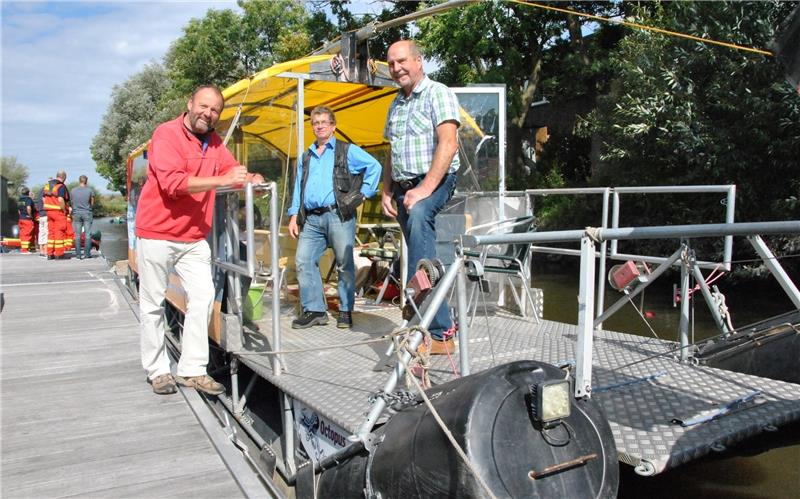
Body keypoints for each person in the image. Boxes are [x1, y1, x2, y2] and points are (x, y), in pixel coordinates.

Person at [135, 84, 264, 396]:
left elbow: (231, 169)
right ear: (190, 104)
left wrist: (251, 180)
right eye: (204, 106)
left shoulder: (214, 142)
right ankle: (158, 371)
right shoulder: (166, 134)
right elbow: (173, 184)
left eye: (215, 110)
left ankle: (192, 369)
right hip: (157, 233)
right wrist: (224, 179)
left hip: (193, 236)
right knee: (152, 303)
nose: (208, 113)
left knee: (204, 297)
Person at [381, 40, 460, 355]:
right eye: (391, 63)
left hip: (435, 180)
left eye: (402, 61)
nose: (396, 68)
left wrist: (425, 188)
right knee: (421, 250)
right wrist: (387, 189)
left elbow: (449, 144)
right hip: (404, 187)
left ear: (418, 61)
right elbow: (391, 151)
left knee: (418, 220)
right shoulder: (395, 104)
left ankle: (429, 329)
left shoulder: (438, 93)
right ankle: (442, 331)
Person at [287, 106, 382, 329]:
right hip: (311, 219)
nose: (319, 126)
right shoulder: (306, 156)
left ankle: (345, 310)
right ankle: (315, 310)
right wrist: (293, 214)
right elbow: (299, 187)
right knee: (303, 260)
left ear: (333, 126)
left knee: (344, 263)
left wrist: (363, 194)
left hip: (338, 214)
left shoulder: (346, 150)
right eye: (315, 123)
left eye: (324, 122)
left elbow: (374, 166)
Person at [42, 171, 70, 260]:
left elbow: (43, 198)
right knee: (59, 232)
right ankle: (59, 254)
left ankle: (50, 254)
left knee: (51, 232)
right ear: (64, 177)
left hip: (48, 212)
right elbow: (61, 199)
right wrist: (64, 210)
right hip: (58, 212)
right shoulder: (60, 186)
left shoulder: (47, 185)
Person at [70, 175, 95, 259]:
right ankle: (87, 254)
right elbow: (92, 203)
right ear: (86, 181)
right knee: (88, 234)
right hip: (87, 212)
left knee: (77, 235)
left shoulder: (73, 190)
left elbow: (72, 202)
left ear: (79, 181)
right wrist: (89, 207)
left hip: (76, 213)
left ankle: (78, 255)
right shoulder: (90, 190)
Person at [16, 187, 37, 253]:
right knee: (27, 234)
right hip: (27, 219)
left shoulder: (20, 200)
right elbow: (28, 208)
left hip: (21, 219)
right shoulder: (28, 199)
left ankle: (31, 248)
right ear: (28, 192)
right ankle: (25, 250)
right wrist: (30, 216)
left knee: (23, 234)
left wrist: (21, 216)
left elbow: (19, 210)